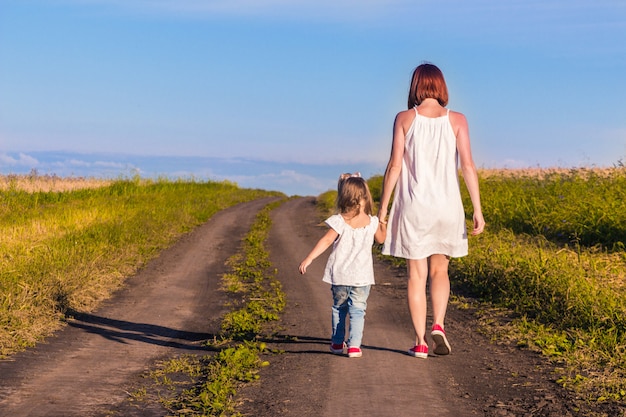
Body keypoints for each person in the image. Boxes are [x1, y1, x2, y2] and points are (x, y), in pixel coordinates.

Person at [378, 63, 485, 359]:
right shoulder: (458, 120)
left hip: (414, 207)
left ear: (415, 86)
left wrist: (383, 210)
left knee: (416, 275)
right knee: (441, 270)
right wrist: (477, 209)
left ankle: (420, 341)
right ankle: (438, 323)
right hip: (447, 208)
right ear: (441, 87)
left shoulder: (404, 119)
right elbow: (468, 166)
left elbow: (395, 166)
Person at [299, 173, 387, 358]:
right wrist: (383, 223)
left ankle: (338, 343)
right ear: (365, 198)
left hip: (340, 276)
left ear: (345, 197)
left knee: (339, 308)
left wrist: (309, 258)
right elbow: (381, 239)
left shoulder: (339, 221)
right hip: (362, 278)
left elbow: (326, 241)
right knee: (358, 309)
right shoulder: (372, 222)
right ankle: (354, 346)